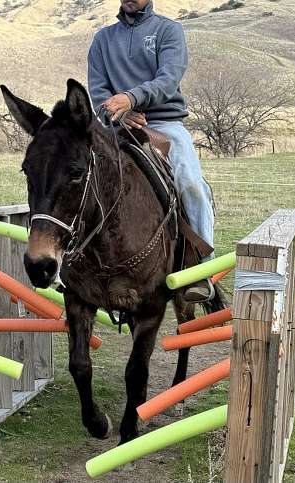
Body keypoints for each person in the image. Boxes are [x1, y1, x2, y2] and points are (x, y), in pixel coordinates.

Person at [87, 0, 215, 302]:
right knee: (77, 175)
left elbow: (168, 80)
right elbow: (97, 90)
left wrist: (132, 99)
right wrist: (115, 113)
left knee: (192, 186)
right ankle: (74, 267)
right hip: (116, 125)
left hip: (164, 123)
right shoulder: (102, 39)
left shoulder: (168, 30)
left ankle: (200, 272)